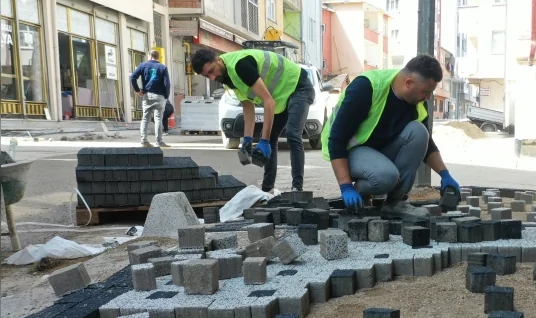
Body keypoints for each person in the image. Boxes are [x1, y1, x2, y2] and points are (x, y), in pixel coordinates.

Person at [321, 55, 460, 219]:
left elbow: (427, 144)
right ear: (409, 83)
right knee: (387, 177)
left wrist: (445, 174)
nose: (428, 97)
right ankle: (361, 190)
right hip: (347, 151)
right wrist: (345, 186)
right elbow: (336, 139)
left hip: (378, 153)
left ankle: (395, 203)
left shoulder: (418, 102)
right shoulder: (367, 87)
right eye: (426, 92)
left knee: (419, 131)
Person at [190, 48, 315, 193]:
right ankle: (267, 190)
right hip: (282, 96)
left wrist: (264, 140)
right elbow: (247, 106)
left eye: (212, 71)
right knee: (270, 136)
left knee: (292, 134)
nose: (212, 77)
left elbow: (268, 102)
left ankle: (297, 189)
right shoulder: (227, 78)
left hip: (299, 87)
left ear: (218, 59)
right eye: (207, 76)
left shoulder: (240, 66)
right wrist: (247, 139)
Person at [130, 50, 171, 148]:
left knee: (145, 119)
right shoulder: (163, 67)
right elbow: (167, 84)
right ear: (158, 57)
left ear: (149, 56)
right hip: (159, 96)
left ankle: (144, 141)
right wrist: (166, 96)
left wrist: (137, 90)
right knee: (158, 119)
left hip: (147, 95)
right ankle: (159, 142)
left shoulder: (143, 65)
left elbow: (133, 77)